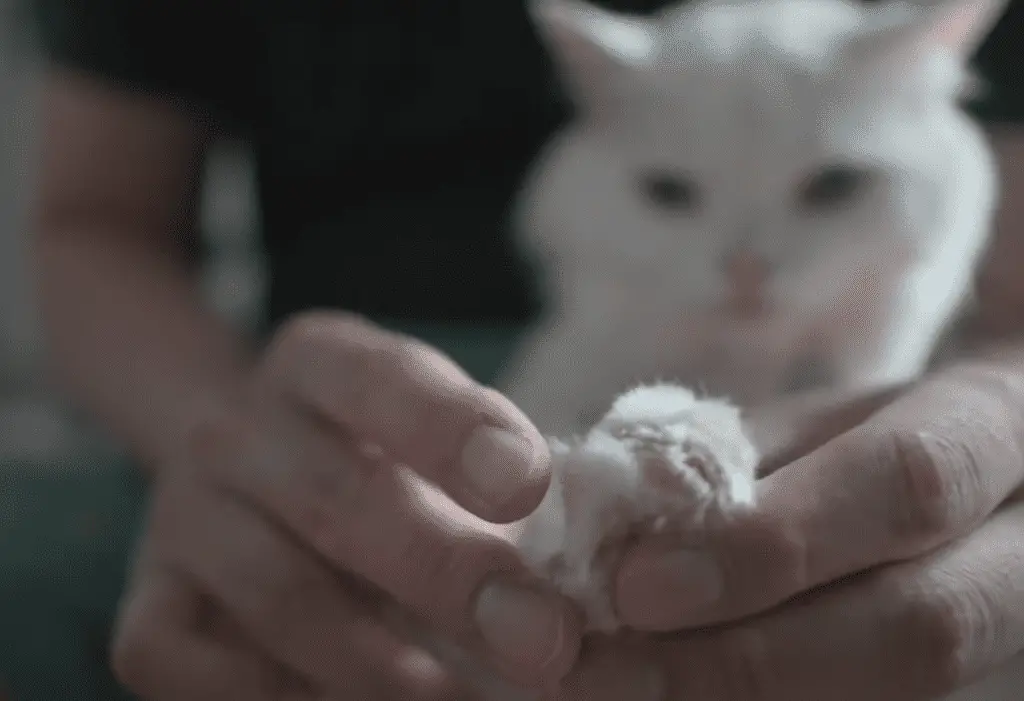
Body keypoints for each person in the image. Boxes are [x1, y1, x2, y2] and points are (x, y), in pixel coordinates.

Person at [21, 0, 1024, 698]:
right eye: (677, 193)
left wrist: (998, 414)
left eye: (830, 190)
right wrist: (234, 446)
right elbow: (96, 218)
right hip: (302, 406)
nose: (748, 265)